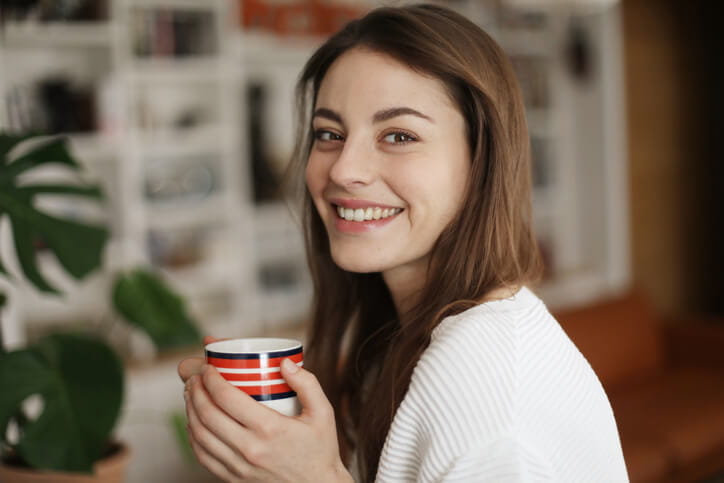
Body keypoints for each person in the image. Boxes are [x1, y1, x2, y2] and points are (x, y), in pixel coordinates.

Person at [178, 4, 629, 482]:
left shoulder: (491, 400)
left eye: (398, 135)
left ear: (482, 161)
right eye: (329, 134)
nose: (343, 169)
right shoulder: (405, 341)